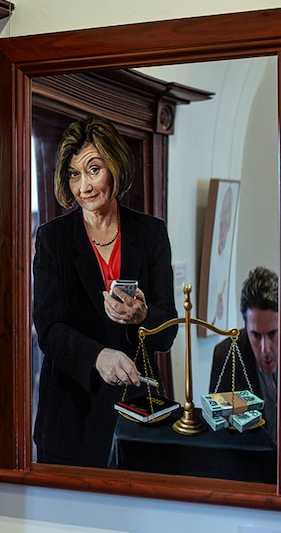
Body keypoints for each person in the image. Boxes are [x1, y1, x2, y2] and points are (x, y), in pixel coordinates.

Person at [32, 114, 178, 468]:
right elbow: (49, 331)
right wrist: (98, 357)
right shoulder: (53, 239)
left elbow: (168, 329)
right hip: (71, 419)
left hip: (137, 413)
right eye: (74, 174)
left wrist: (144, 317)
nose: (84, 186)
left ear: (115, 166)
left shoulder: (151, 233)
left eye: (93, 169)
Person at [208, 266, 278, 443]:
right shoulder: (226, 356)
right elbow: (219, 432)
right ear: (246, 326)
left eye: (272, 334)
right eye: (256, 335)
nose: (265, 349)